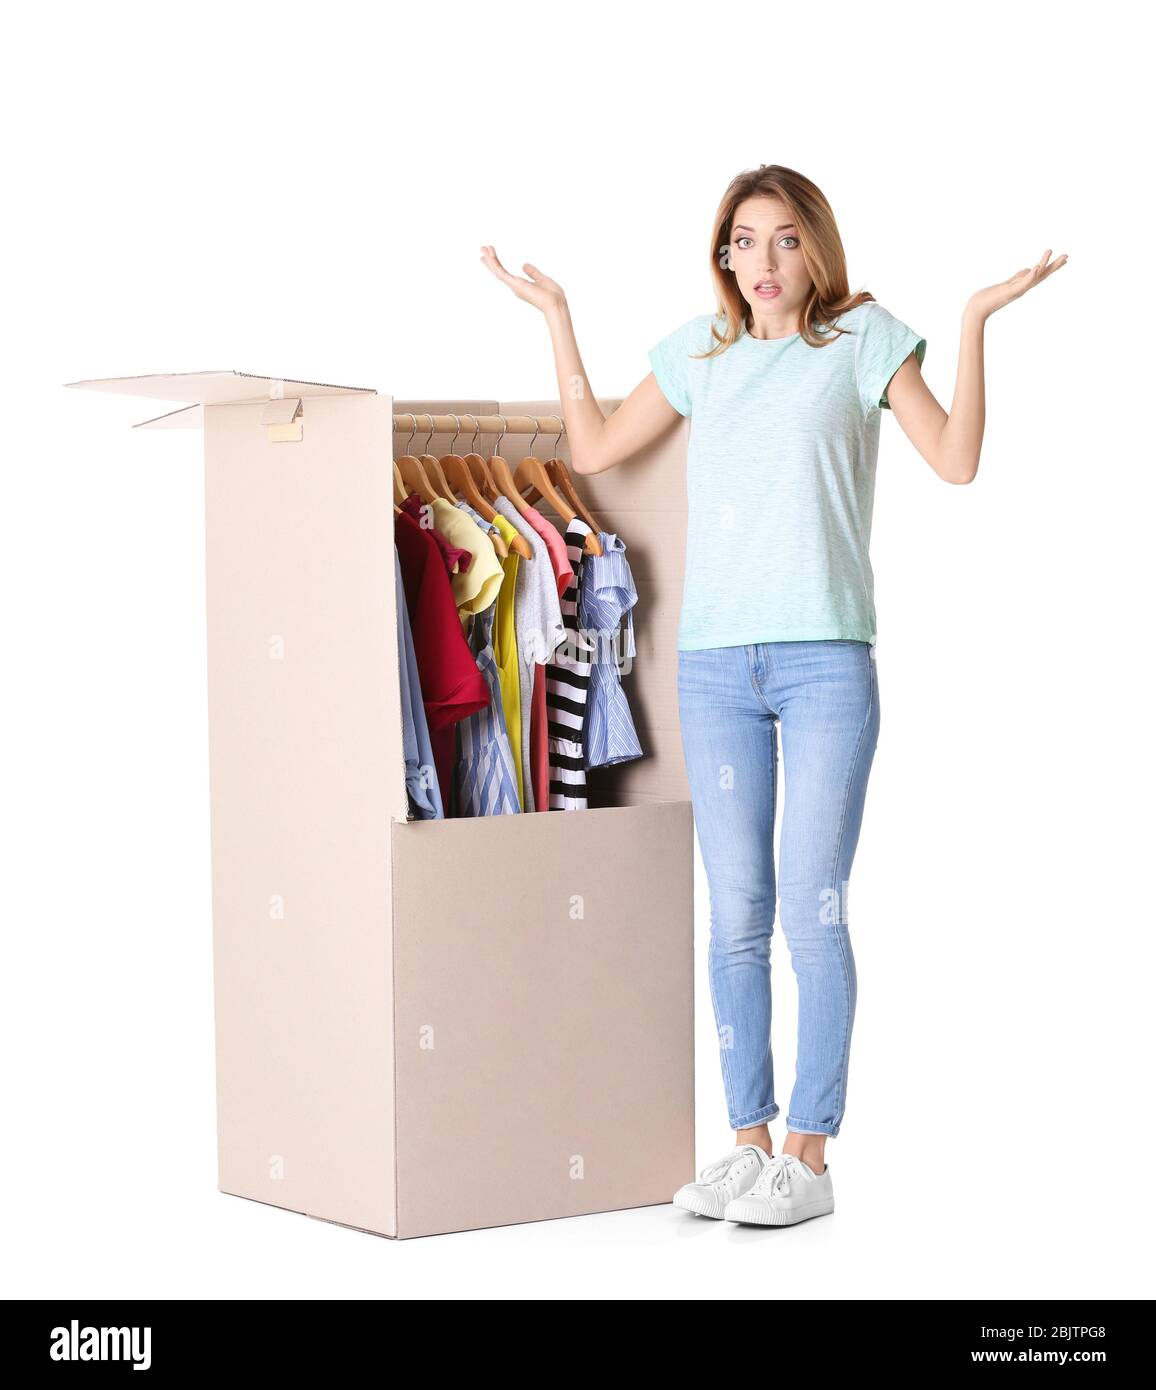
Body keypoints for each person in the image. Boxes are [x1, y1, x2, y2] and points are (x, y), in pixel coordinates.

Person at [482, 163, 1066, 1228]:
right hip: (714, 666)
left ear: (817, 248)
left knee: (811, 908)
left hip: (824, 663)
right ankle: (747, 1145)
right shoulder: (701, 355)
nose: (762, 262)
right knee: (736, 913)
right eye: (743, 242)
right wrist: (558, 317)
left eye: (784, 239)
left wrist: (974, 321)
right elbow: (598, 446)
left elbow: (957, 459)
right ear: (723, 256)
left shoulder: (862, 342)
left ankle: (811, 1150)